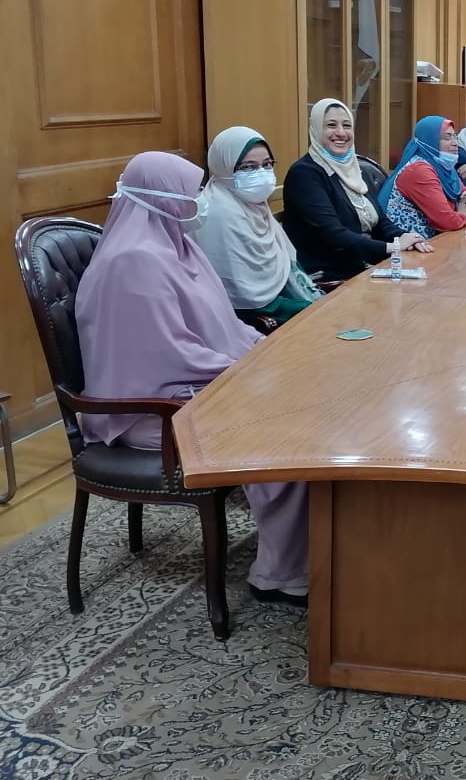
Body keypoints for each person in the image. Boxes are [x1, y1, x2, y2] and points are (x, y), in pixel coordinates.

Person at [76, 151, 310, 605]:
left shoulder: (178, 245)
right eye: (193, 191)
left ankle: (308, 543)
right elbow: (168, 355)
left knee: (300, 395)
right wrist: (248, 370)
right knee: (279, 431)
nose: (201, 199)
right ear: (162, 197)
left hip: (195, 386)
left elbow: (222, 325)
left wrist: (264, 350)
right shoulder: (133, 261)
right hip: (152, 409)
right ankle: (281, 573)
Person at [283, 99, 431, 281]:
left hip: (364, 267)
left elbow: (381, 222)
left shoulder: (356, 169)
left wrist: (407, 237)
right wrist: (392, 247)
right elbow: (334, 236)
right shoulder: (304, 174)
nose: (341, 133)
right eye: (331, 125)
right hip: (330, 276)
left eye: (347, 125)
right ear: (315, 129)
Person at [192, 126, 322, 326]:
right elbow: (244, 296)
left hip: (278, 299)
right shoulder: (218, 213)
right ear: (224, 167)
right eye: (248, 167)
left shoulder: (254, 204)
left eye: (267, 164)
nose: (261, 173)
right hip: (249, 315)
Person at [380, 115, 466, 237]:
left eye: (455, 136)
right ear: (430, 140)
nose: (455, 143)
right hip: (409, 244)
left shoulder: (445, 169)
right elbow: (448, 222)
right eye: (447, 137)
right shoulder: (419, 171)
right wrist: (463, 212)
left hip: (438, 240)